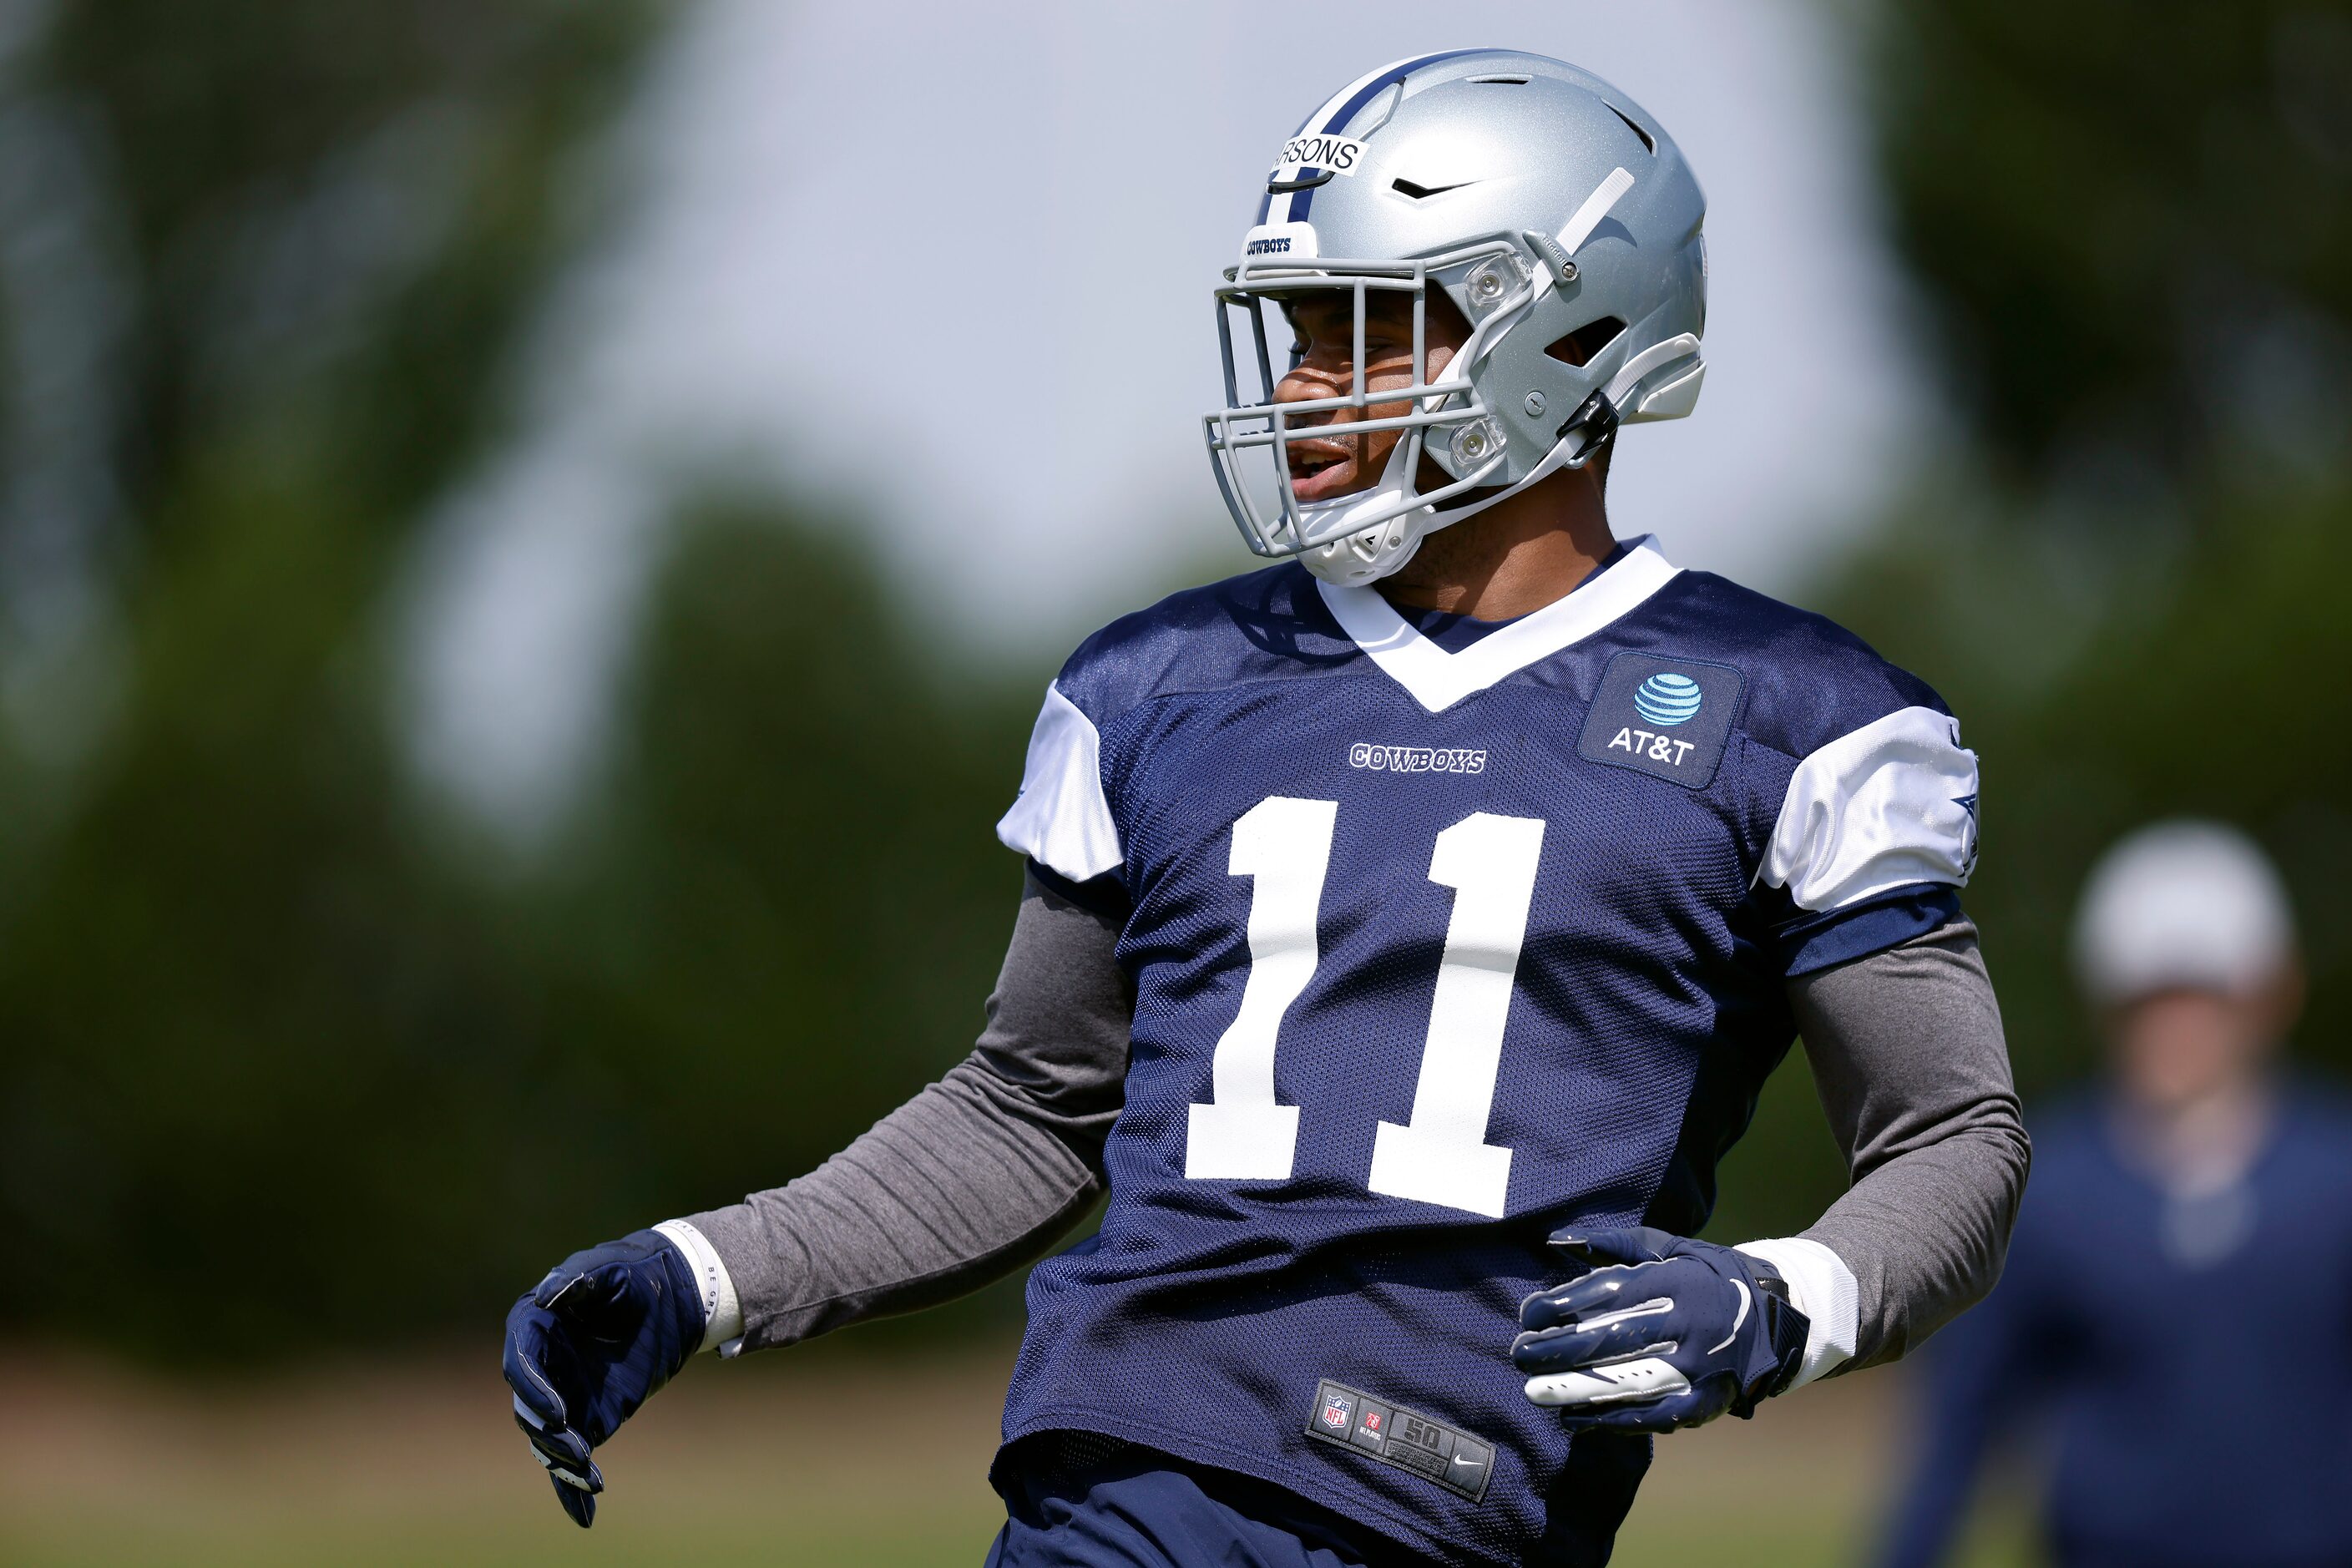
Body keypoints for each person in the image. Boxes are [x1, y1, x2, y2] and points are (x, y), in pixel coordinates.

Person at [503, 50, 2031, 1568]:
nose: (1300, 389)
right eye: (1296, 332)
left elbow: (1951, 1127)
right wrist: (704, 1269)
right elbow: (1032, 1103)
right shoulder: (1165, 681)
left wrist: (1787, 1296)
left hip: (1449, 1497)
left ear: (1565, 336)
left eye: (1361, 333)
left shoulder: (1788, 708)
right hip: (1121, 1477)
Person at [1878, 822, 2352, 1568]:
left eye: (2202, 995)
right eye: (2148, 998)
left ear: (2268, 994)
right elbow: (1962, 1428)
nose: (2175, 1026)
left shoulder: (2336, 1180)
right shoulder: (2041, 1188)